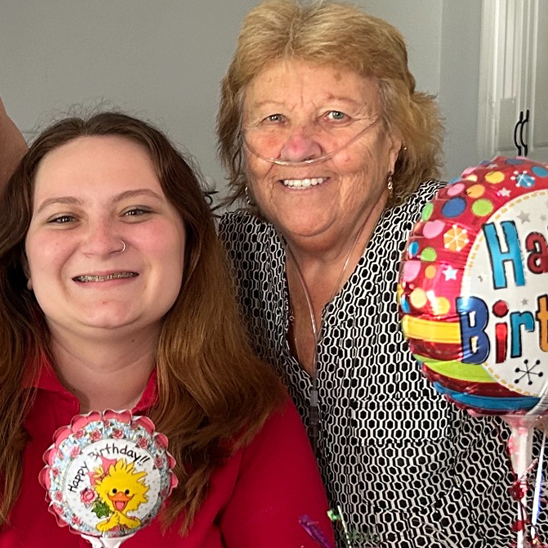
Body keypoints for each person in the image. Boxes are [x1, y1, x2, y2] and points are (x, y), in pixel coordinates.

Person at [217, 1, 521, 546]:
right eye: (273, 119)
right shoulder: (234, 253)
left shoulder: (467, 242)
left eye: (335, 116)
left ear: (395, 140)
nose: (298, 147)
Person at [0, 112, 334, 547]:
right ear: (24, 259)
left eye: (136, 211)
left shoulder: (251, 412)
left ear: (189, 243)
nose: (102, 243)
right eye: (64, 217)